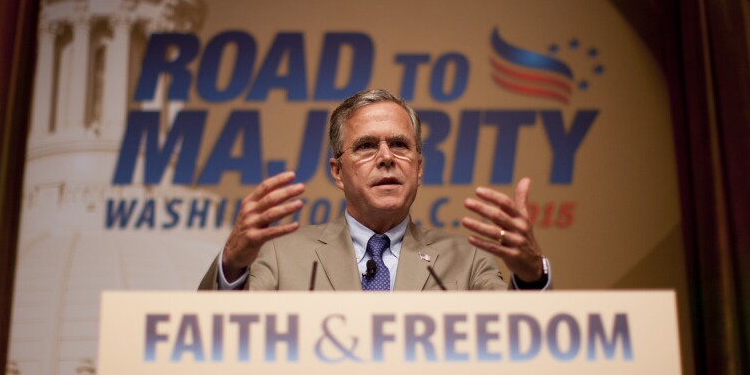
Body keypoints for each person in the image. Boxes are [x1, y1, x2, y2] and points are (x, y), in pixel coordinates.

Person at [198, 89, 550, 291]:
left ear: (419, 168)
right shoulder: (278, 255)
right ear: (337, 172)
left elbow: (521, 346)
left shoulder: (469, 260)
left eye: (399, 144)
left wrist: (532, 276)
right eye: (366, 146)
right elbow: (216, 341)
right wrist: (231, 265)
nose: (386, 158)